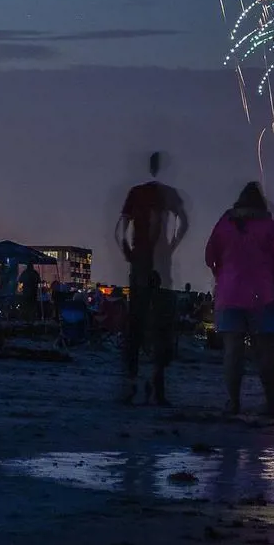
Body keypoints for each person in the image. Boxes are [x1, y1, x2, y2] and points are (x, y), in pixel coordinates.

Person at [205, 181, 274, 417]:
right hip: (262, 295)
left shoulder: (225, 224)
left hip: (229, 294)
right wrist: (273, 282)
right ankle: (270, 402)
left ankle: (233, 402)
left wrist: (222, 275)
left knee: (232, 352)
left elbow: (209, 256)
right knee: (265, 353)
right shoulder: (271, 227)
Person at [116, 151, 189, 405]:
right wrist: (171, 246)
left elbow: (120, 231)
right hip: (161, 264)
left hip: (140, 264)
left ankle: (131, 381)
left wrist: (127, 251)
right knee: (160, 325)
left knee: (135, 323)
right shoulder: (169, 194)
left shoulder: (135, 193)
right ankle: (157, 384)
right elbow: (185, 223)